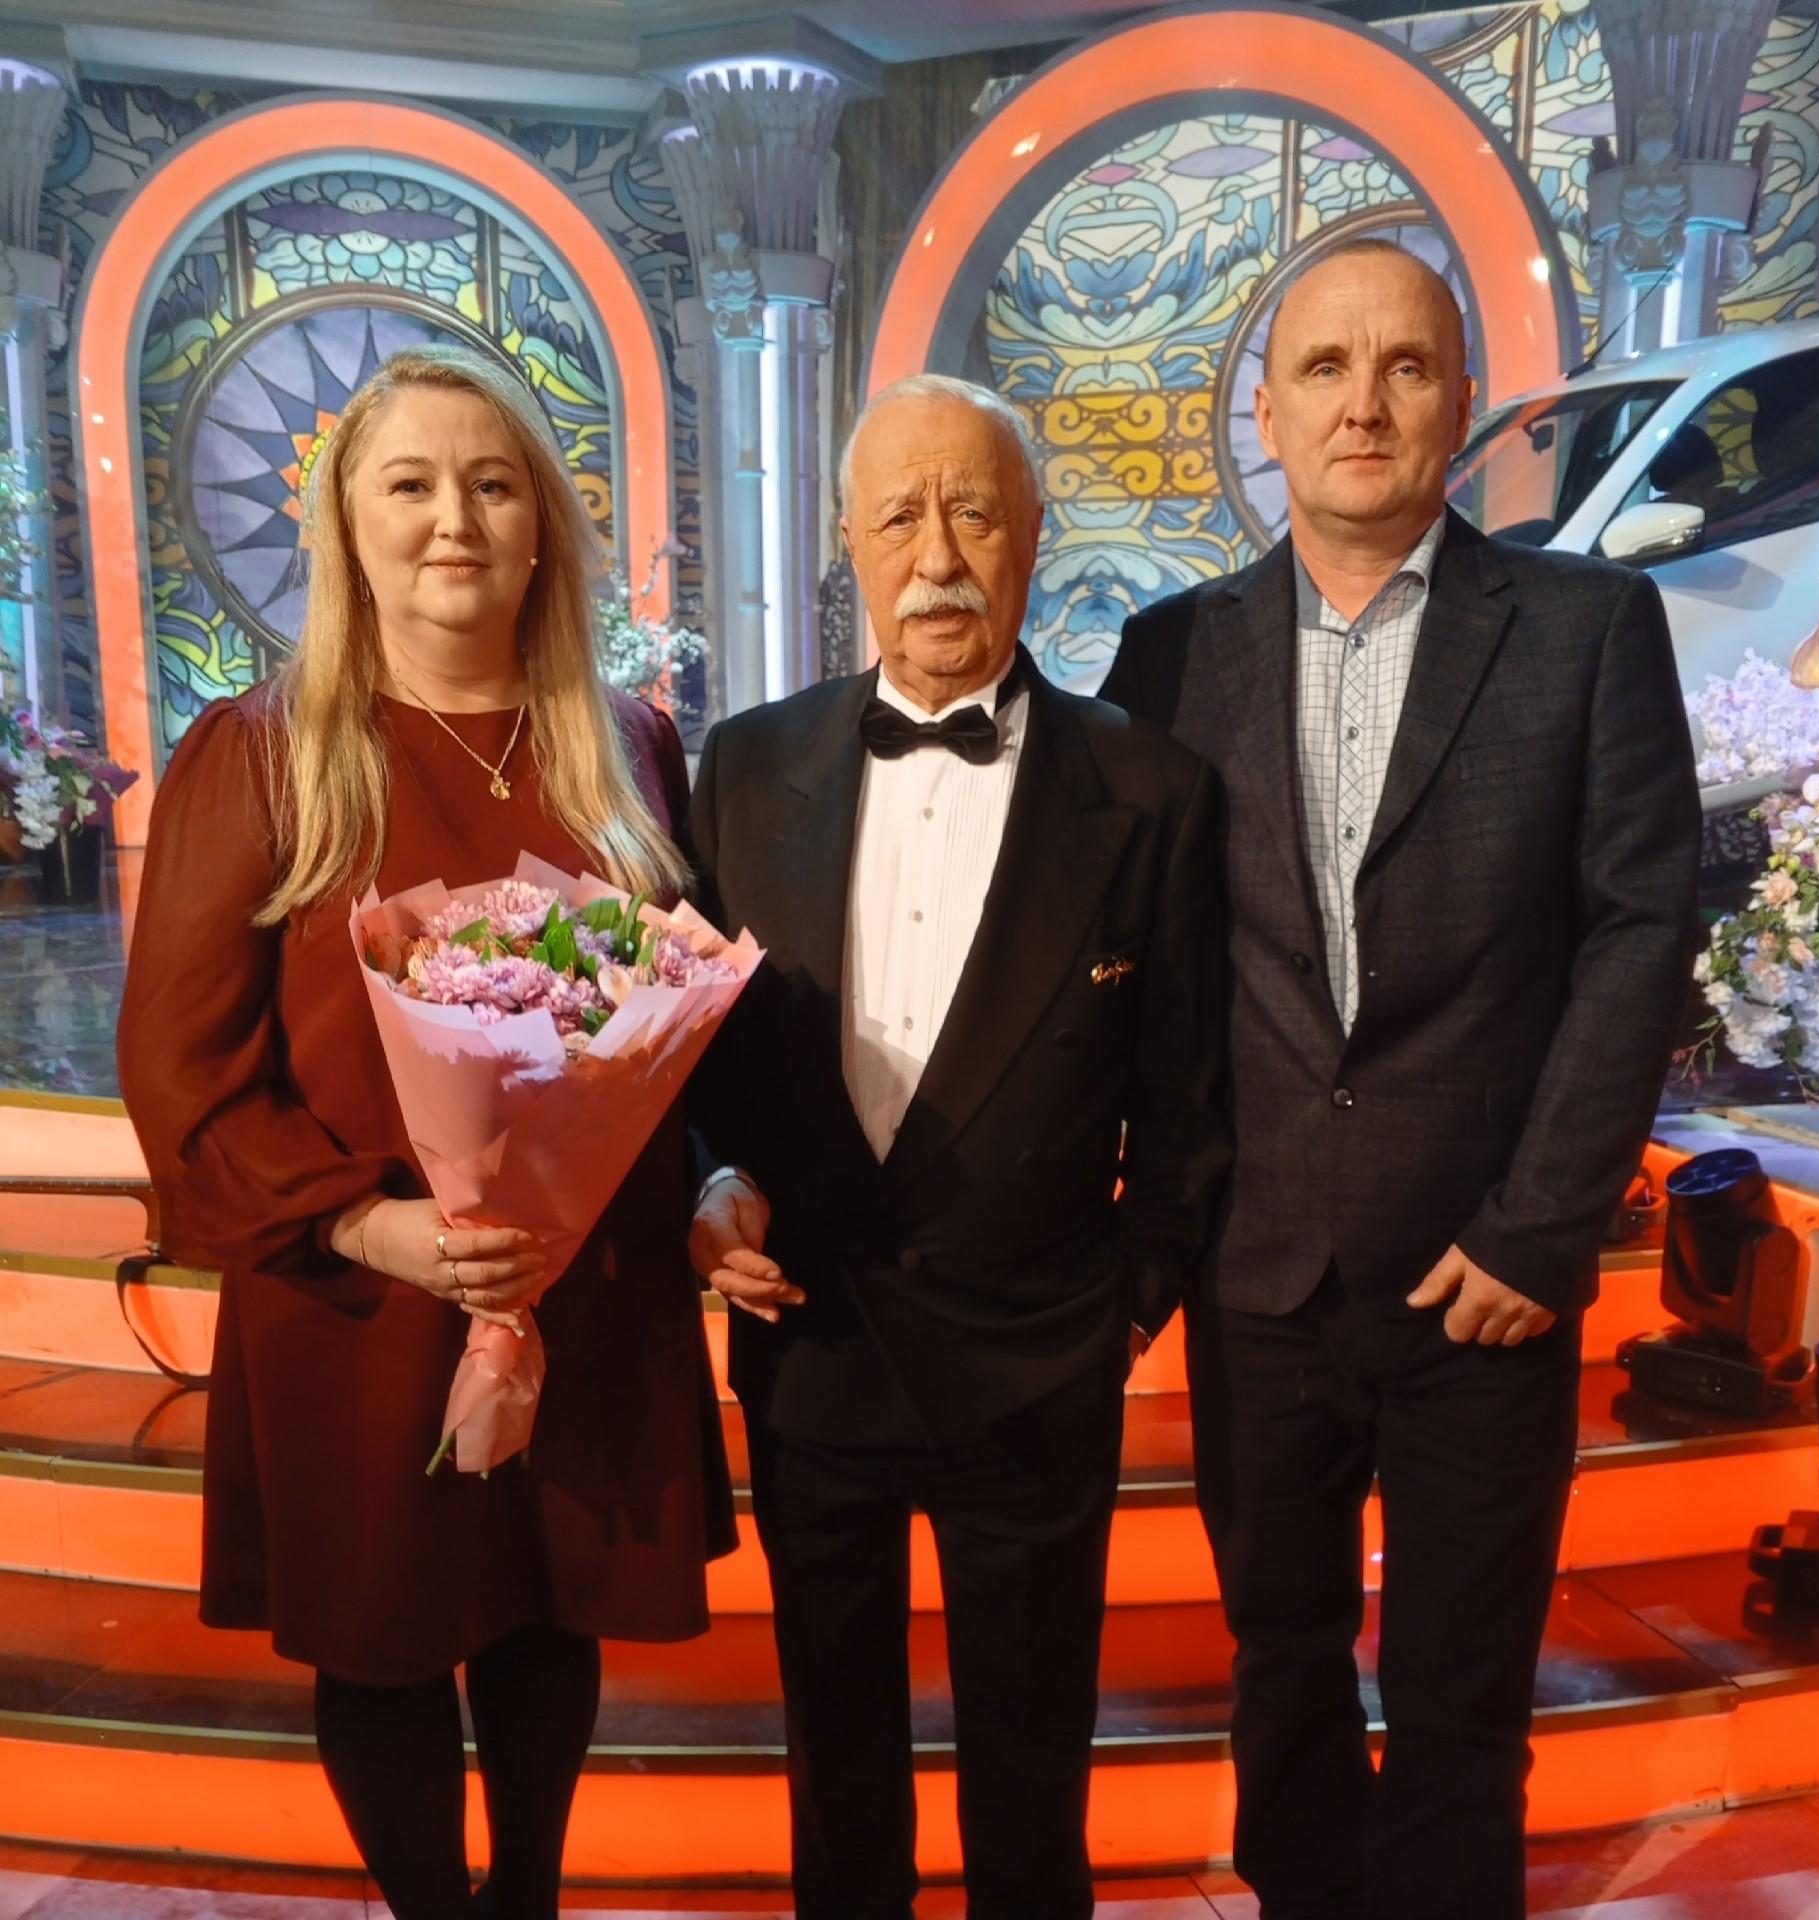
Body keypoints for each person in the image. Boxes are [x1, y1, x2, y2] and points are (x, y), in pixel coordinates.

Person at [1101, 241, 1701, 1919]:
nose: (1361, 404)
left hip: (1483, 1273)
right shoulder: (1168, 655)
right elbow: (1116, 959)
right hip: (1261, 1273)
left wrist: (1543, 1228)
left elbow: (1640, 932)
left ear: (1461, 403)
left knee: (1462, 1693)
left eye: (1405, 366)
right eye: (1323, 367)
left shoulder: (1587, 629)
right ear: (1268, 412)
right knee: (1280, 1665)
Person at [117, 344, 735, 1920]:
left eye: (493, 482)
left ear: (542, 529)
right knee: (384, 1642)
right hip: (360, 1294)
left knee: (545, 1616)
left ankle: (523, 1899)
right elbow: (182, 1070)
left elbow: (674, 1031)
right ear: (346, 524)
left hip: (578, 1287)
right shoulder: (261, 751)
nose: (454, 518)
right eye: (411, 483)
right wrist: (374, 1226)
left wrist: (698, 1181)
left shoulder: (629, 747)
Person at [684, 372, 1231, 1920]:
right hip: (815, 1348)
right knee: (834, 1760)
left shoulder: (1151, 788)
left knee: (1033, 1768)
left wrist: (1126, 1304)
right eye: (900, 517)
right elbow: (684, 1053)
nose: (938, 556)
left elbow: (1191, 1099)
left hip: (1038, 1364)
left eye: (975, 512)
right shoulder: (742, 769)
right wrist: (705, 1187)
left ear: (1033, 534)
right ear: (849, 544)